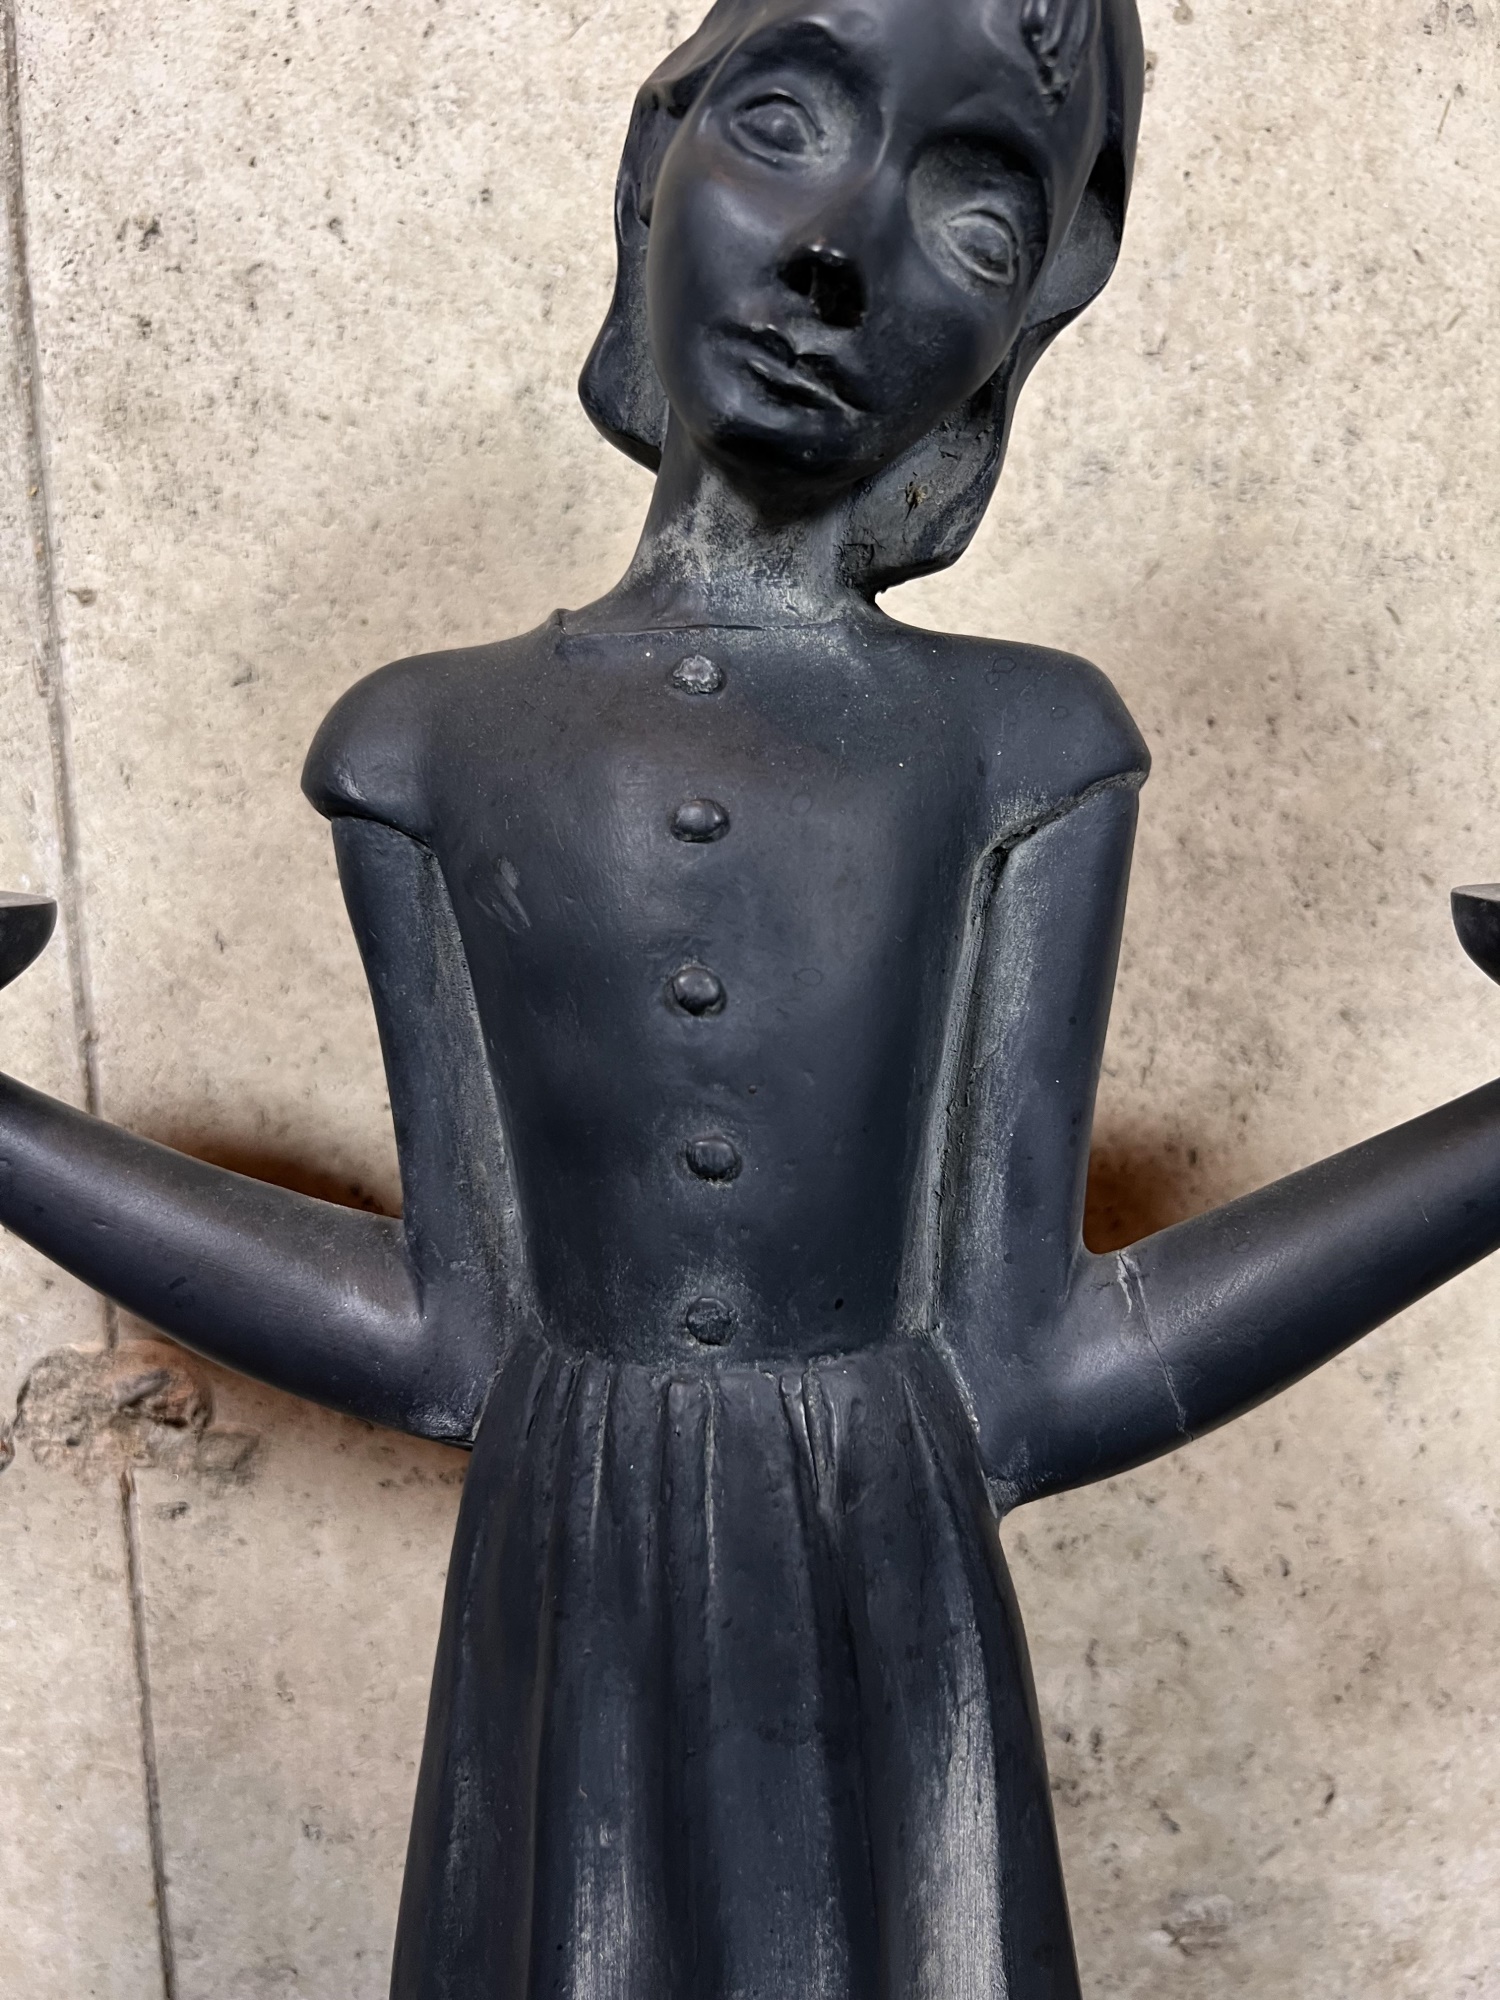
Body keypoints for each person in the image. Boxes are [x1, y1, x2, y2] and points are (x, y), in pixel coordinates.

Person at [3, 0, 1498, 1992]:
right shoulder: (419, 747)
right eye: (785, 121)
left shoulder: (1031, 748)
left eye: (976, 219)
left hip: (892, 1587)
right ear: (655, 161)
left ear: (1028, 321)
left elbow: (1037, 1361)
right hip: (566, 1589)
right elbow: (449, 1327)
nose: (834, 252)